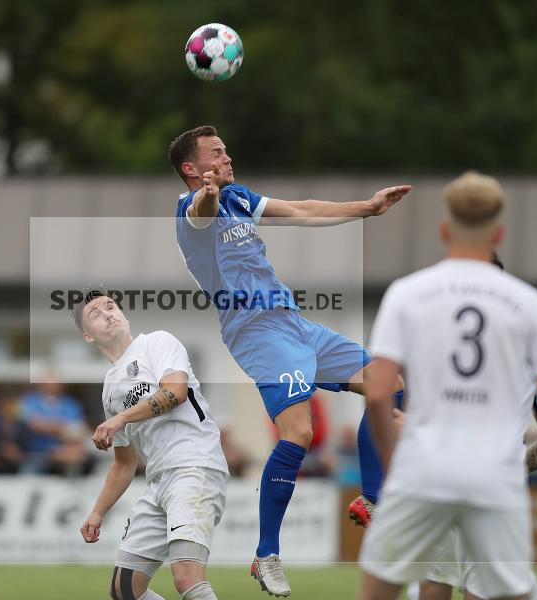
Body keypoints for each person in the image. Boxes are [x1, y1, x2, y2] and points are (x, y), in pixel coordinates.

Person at [169, 124, 410, 596]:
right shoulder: (190, 209)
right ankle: (266, 555)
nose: (227, 156)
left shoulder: (236, 196)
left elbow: (300, 210)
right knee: (299, 431)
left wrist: (367, 207)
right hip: (255, 331)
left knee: (388, 382)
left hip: (294, 323)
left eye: (226, 149)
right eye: (216, 153)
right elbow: (202, 210)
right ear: (191, 169)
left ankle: (373, 499)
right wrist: (209, 194)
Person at [357, 171, 537, 600]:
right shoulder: (528, 304)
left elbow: (379, 391)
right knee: (493, 590)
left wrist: (393, 466)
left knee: (396, 587)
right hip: (496, 475)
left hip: (425, 469)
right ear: (498, 232)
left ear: (444, 230)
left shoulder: (407, 294)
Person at [76, 290, 229, 600]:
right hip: (159, 482)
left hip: (194, 466)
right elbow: (124, 462)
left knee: (186, 576)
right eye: (96, 314)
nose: (108, 313)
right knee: (124, 590)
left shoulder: (156, 342)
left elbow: (176, 391)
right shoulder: (111, 388)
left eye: (110, 306)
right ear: (89, 337)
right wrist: (97, 512)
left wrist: (119, 420)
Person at [19, 376, 91, 475]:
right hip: (38, 452)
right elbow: (33, 425)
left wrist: (46, 424)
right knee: (28, 473)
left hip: (66, 450)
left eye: (55, 384)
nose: (51, 387)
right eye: (48, 384)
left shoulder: (71, 403)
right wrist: (62, 427)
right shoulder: (29, 401)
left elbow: (78, 430)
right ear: (41, 385)